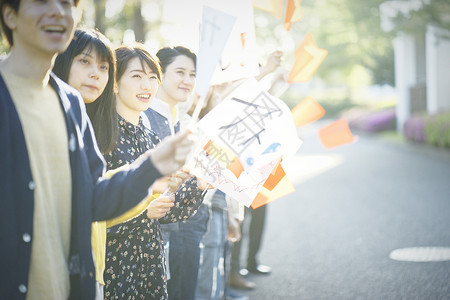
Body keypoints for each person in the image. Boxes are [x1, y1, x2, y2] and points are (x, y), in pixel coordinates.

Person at [0, 1, 194, 299]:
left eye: (67, 4)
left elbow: (93, 200)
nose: (58, 11)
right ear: (9, 14)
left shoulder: (71, 103)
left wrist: (153, 166)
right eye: (42, 2)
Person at [102, 44, 204, 300]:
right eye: (136, 76)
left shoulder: (150, 138)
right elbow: (91, 213)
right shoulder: (101, 137)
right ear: (114, 83)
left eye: (152, 78)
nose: (146, 85)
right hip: (116, 265)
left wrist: (199, 183)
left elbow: (166, 211)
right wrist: (144, 212)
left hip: (149, 261)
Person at [143, 45, 210, 300]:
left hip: (179, 230)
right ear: (159, 74)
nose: (188, 80)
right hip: (151, 234)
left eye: (192, 75)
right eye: (180, 72)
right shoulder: (145, 118)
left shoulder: (179, 120)